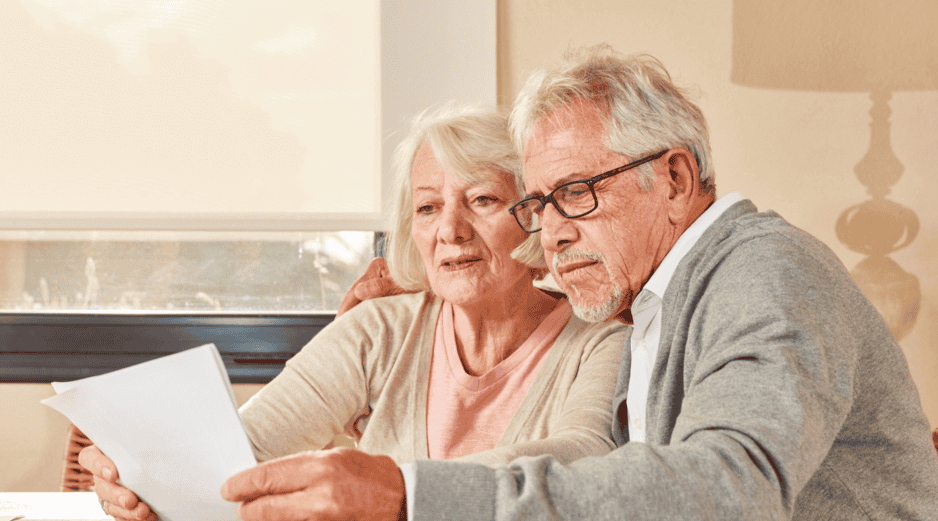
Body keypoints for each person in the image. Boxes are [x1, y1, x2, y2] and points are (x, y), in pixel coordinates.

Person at [214, 45, 938, 520]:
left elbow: (729, 487)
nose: (551, 230)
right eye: (537, 202)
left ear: (676, 177)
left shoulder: (767, 274)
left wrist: (412, 493)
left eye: (576, 193)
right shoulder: (648, 304)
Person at [79, 103, 629, 520]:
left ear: (532, 213)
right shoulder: (379, 329)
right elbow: (244, 448)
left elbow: (582, 458)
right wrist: (143, 467)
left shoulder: (600, 341)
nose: (450, 230)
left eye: (482, 199)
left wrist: (393, 488)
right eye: (428, 206)